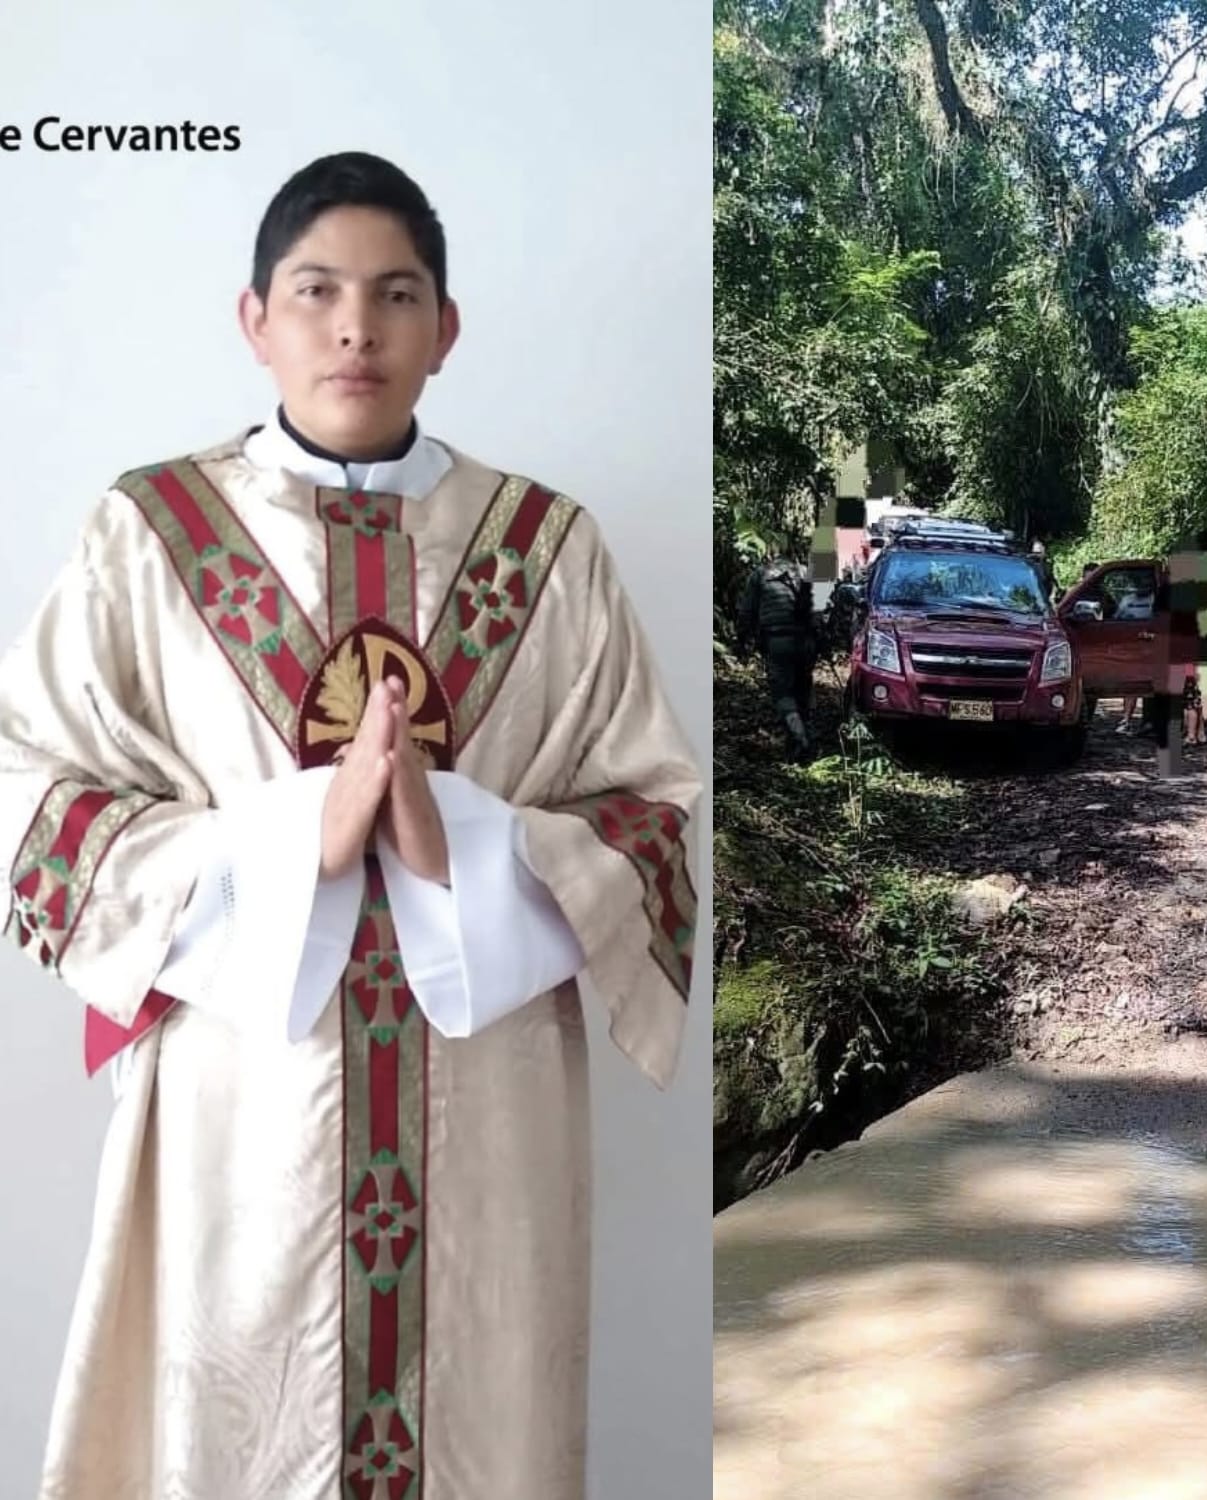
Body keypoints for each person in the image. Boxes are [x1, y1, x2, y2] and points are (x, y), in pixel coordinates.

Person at [2, 152, 699, 1500]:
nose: (355, 329)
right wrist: (285, 846)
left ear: (446, 329)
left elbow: (656, 817)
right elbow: (33, 791)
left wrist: (472, 852)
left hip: (484, 1119)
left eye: (395, 295)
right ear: (254, 318)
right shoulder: (153, 536)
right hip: (241, 1110)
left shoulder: (545, 550)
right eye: (316, 291)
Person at [737, 546, 817, 761]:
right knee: (802, 688)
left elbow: (747, 612)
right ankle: (804, 736)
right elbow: (819, 610)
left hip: (777, 641)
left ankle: (800, 738)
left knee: (783, 693)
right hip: (805, 641)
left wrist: (742, 640)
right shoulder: (804, 572)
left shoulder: (761, 575)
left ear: (772, 558)